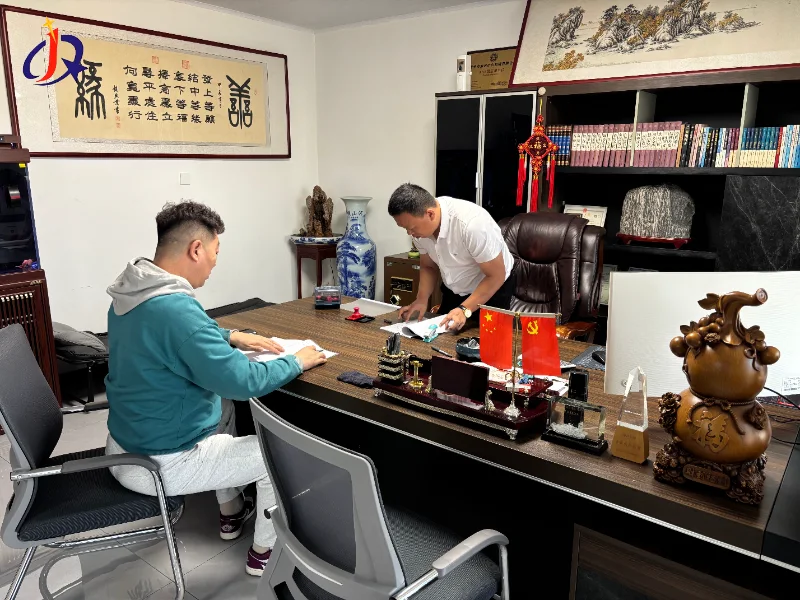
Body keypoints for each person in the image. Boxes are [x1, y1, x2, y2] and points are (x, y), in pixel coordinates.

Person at [103, 201, 327, 577]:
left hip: (125, 445)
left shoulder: (133, 294)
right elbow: (243, 382)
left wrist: (229, 335)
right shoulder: (174, 309)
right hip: (159, 464)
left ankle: (231, 511)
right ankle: (264, 555)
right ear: (196, 249)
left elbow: (173, 338)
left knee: (220, 408)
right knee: (278, 456)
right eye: (215, 251)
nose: (215, 262)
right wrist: (297, 361)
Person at [388, 183, 514, 331]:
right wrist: (421, 300)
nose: (410, 234)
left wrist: (464, 309)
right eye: (405, 228)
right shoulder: (419, 232)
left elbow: (496, 276)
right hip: (454, 289)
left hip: (491, 289)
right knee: (442, 336)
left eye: (412, 228)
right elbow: (428, 267)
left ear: (430, 214)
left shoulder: (472, 225)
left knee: (487, 341)